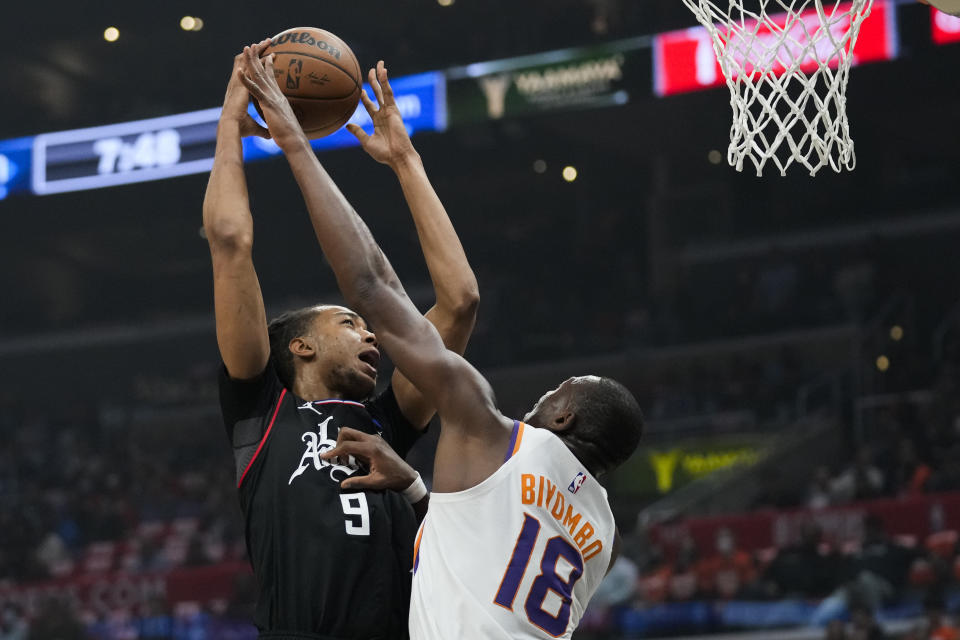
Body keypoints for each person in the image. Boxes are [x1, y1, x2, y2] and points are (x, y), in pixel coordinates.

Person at [239, 46, 644, 639]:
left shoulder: (494, 434)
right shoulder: (600, 535)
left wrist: (297, 144)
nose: (538, 400)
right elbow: (480, 555)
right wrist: (414, 485)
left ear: (563, 412)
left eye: (555, 391)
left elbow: (371, 283)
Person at [204, 45, 480, 639]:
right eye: (349, 322)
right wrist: (230, 122)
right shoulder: (262, 414)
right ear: (300, 346)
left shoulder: (388, 423)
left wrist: (406, 161)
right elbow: (229, 242)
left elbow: (459, 302)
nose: (373, 332)